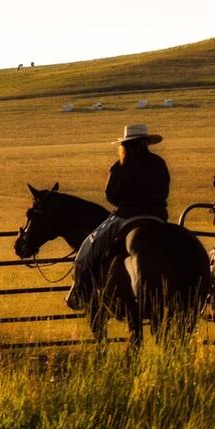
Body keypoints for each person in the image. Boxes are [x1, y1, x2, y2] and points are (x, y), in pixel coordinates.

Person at [68, 124, 170, 310]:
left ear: (125, 145)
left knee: (88, 246)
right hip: (158, 217)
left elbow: (111, 195)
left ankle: (81, 290)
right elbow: (165, 191)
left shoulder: (121, 165)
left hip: (126, 216)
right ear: (146, 143)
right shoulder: (159, 163)